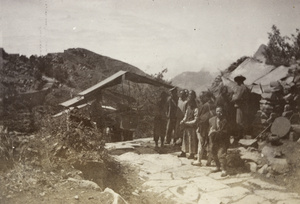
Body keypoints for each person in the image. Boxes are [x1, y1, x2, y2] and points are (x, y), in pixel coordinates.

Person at [192, 92, 215, 166]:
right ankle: (209, 161)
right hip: (212, 127)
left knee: (201, 144)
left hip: (203, 128)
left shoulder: (204, 106)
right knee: (210, 144)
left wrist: (198, 125)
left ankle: (199, 160)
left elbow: (201, 118)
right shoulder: (214, 105)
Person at [178, 90, 199, 159]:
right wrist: (183, 121)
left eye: (190, 96)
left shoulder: (196, 108)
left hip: (192, 127)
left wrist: (187, 123)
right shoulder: (188, 107)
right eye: (189, 96)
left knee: (191, 140)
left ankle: (192, 153)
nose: (189, 97)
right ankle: (184, 152)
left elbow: (196, 120)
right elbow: (186, 115)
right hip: (187, 126)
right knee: (185, 139)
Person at [208, 107, 229, 177]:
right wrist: (211, 131)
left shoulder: (225, 121)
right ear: (215, 112)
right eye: (217, 111)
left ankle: (224, 170)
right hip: (214, 140)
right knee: (213, 152)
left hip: (222, 140)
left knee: (221, 154)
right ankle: (217, 166)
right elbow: (210, 128)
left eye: (220, 111)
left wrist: (215, 132)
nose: (219, 113)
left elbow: (225, 132)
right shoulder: (212, 120)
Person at [232, 75, 250, 140]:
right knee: (244, 120)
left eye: (237, 81)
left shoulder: (241, 88)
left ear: (239, 81)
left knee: (239, 121)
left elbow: (236, 97)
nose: (236, 82)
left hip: (241, 106)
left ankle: (241, 136)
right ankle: (243, 135)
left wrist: (233, 97)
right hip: (245, 106)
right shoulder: (246, 87)